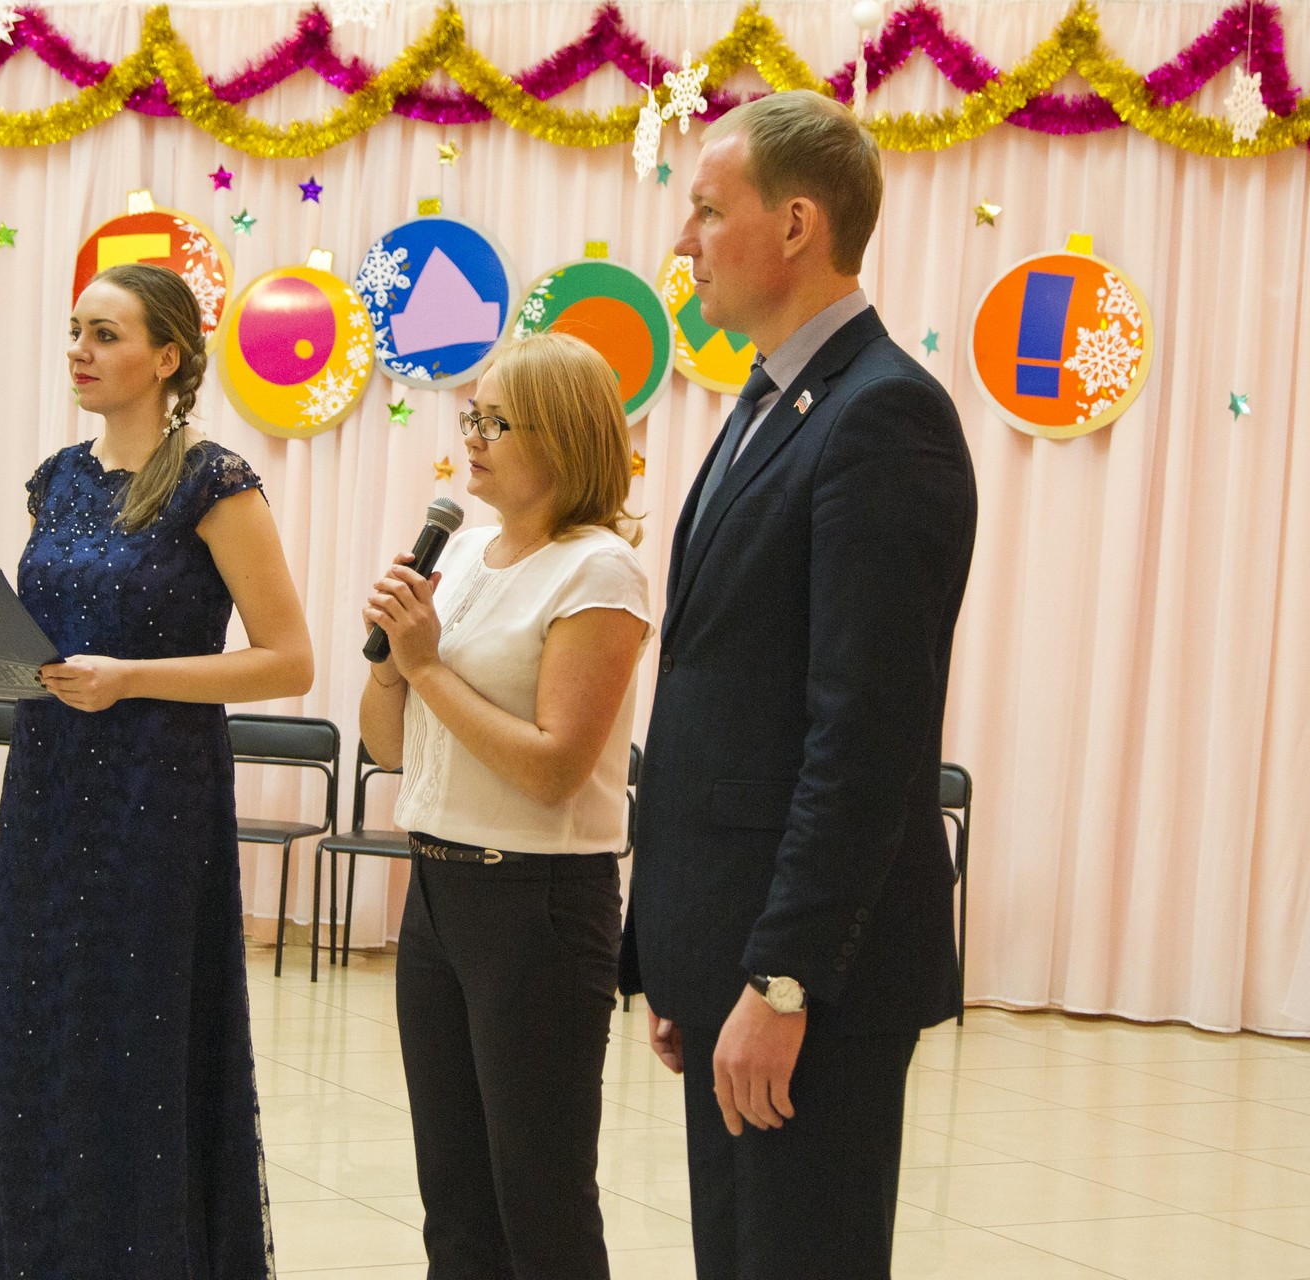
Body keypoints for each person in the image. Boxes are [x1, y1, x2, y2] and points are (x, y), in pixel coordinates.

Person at [620, 90, 978, 1279]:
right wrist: (684, 948)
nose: (683, 240)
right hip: (731, 951)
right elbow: (722, 693)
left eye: (707, 210)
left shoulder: (883, 414)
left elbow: (864, 733)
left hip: (813, 974)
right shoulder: (768, 402)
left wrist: (782, 973)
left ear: (795, 225)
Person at [0, 262, 313, 1279]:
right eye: (75, 330)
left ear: (167, 356)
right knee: (38, 1024)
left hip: (157, 797)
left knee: (131, 1034)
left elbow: (288, 660)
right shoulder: (57, 479)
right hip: (48, 789)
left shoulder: (213, 481)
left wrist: (134, 678)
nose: (80, 350)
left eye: (105, 334)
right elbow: (57, 647)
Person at [359, 332, 651, 1280]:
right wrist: (392, 660)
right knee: (455, 1199)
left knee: (540, 1199)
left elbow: (554, 769)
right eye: (471, 417)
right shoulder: (467, 553)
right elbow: (389, 748)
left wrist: (426, 666)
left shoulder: (598, 570)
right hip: (438, 890)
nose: (472, 439)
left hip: (538, 904)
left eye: (496, 422)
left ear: (561, 438)